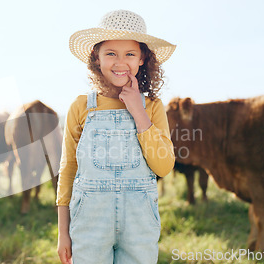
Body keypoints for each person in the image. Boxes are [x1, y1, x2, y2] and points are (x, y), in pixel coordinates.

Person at [56, 10, 176, 264]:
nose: (120, 62)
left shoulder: (152, 107)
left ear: (142, 58)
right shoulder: (81, 107)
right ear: (96, 57)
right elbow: (68, 170)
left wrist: (137, 110)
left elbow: (164, 166)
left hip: (139, 225)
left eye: (130, 54)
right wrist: (62, 233)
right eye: (110, 53)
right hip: (89, 224)